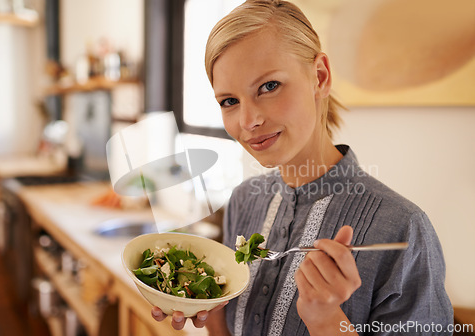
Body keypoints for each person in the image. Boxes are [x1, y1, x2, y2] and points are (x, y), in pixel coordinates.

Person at [151, 0, 453, 335]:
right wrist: (205, 305)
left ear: (320, 77)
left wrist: (326, 319)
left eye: (269, 86)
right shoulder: (243, 200)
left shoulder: (404, 230)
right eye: (230, 101)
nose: (249, 121)